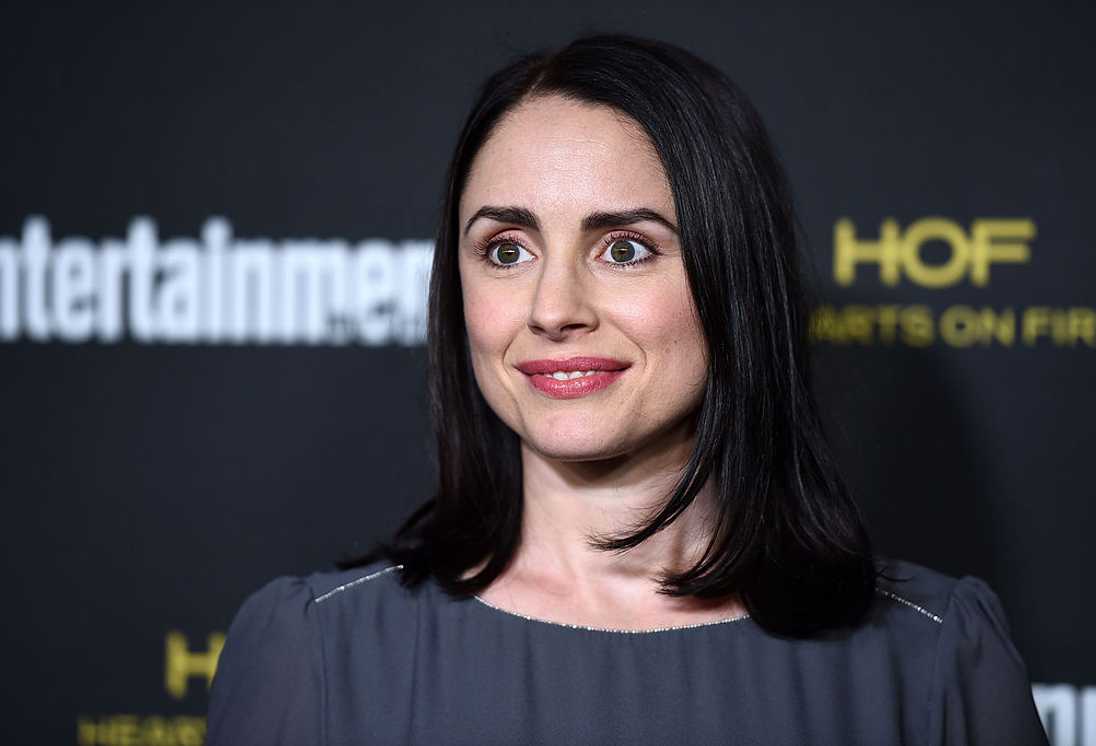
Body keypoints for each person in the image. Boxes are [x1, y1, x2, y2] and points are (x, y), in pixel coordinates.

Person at [206, 33, 1048, 745]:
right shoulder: (314, 653)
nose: (553, 309)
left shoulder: (935, 659)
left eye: (625, 248)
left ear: (737, 280)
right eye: (506, 249)